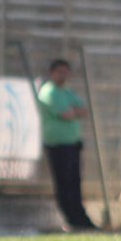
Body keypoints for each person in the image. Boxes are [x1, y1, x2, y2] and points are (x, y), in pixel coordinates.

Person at [38, 59, 98, 232]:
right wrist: (73, 112)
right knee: (65, 184)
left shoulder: (66, 91)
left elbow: (84, 110)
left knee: (75, 183)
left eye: (66, 72)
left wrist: (74, 112)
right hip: (58, 146)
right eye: (60, 72)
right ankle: (72, 219)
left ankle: (81, 219)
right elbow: (66, 114)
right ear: (52, 72)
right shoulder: (49, 92)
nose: (64, 75)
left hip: (72, 145)